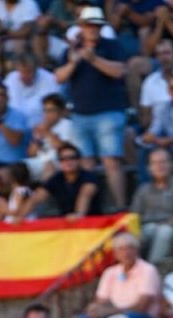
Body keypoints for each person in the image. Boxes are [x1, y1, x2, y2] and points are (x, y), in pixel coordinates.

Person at [54, 5, 127, 209]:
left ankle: (120, 206)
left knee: (111, 161)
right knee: (85, 165)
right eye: (88, 25)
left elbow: (119, 71)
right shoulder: (70, 51)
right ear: (81, 26)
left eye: (96, 25)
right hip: (80, 115)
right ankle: (92, 210)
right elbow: (59, 77)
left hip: (108, 112)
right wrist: (74, 63)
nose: (92, 29)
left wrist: (94, 59)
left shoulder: (112, 46)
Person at [81, 231, 162, 318]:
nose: (126, 253)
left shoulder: (148, 270)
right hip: (115, 315)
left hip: (141, 317)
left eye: (130, 248)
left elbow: (141, 307)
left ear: (137, 251)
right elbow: (100, 301)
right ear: (116, 254)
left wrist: (109, 311)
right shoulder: (110, 272)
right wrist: (94, 309)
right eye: (121, 249)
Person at [132, 149, 173, 265]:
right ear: (149, 168)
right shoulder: (143, 190)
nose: (159, 166)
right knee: (133, 236)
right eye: (155, 163)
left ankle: (152, 268)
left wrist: (168, 223)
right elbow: (134, 215)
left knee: (163, 232)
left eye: (163, 162)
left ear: (171, 165)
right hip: (148, 227)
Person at [19, 142, 100, 219]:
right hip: (67, 223)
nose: (68, 162)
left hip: (92, 224)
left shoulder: (89, 178)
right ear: (59, 162)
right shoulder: (57, 178)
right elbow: (36, 198)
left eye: (72, 158)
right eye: (63, 159)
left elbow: (85, 196)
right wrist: (20, 217)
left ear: (79, 160)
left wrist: (78, 215)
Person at [3, 52, 59, 130]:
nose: (26, 76)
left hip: (43, 128)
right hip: (15, 129)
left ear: (36, 69)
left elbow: (54, 111)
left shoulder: (49, 79)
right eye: (23, 72)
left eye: (29, 72)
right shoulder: (10, 79)